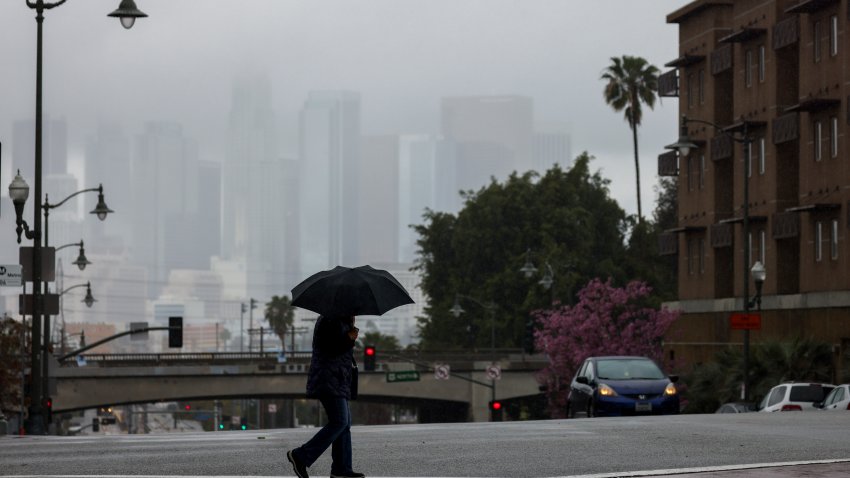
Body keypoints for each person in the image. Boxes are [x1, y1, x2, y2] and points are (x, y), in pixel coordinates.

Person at [288, 315, 364, 478]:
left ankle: (341, 469)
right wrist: (348, 338)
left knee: (345, 424)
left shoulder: (340, 320)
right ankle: (300, 456)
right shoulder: (330, 319)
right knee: (340, 421)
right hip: (328, 379)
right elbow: (331, 349)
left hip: (338, 379)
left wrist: (350, 332)